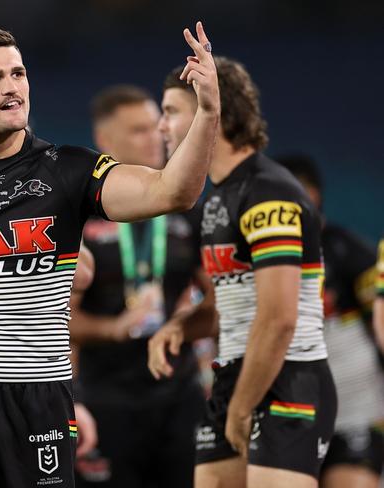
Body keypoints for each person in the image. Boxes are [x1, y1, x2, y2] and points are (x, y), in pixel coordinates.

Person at [0, 22, 220, 488]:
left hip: (40, 396)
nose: (11, 88)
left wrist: (207, 111)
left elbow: (173, 191)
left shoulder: (69, 169)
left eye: (18, 74)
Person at [148, 57, 337, 488]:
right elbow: (232, 308)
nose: (162, 127)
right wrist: (181, 325)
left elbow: (278, 320)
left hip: (288, 379)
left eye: (172, 112)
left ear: (214, 113)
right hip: (235, 377)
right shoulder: (218, 199)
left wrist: (241, 405)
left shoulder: (269, 191)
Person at [71, 85, 206, 488]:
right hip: (107, 398)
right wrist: (113, 329)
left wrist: (181, 325)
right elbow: (58, 318)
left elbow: (218, 302)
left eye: (156, 126)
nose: (157, 136)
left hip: (178, 395)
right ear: (105, 142)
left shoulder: (188, 209)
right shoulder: (79, 216)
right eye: (138, 130)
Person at [278, 154, 384, 488]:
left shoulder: (347, 251)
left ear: (315, 196)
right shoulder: (253, 258)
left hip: (353, 414)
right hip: (284, 419)